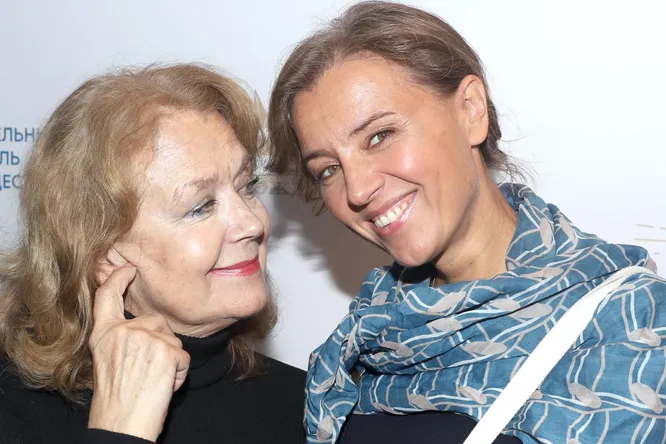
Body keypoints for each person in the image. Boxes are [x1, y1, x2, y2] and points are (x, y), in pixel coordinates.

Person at [267, 2, 666, 443]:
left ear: (471, 111)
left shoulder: (634, 325)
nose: (357, 190)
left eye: (379, 136)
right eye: (328, 169)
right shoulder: (375, 325)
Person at [0, 64, 305, 443]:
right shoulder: (14, 414)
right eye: (201, 207)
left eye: (247, 186)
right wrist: (119, 431)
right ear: (103, 254)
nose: (252, 223)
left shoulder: (309, 407)